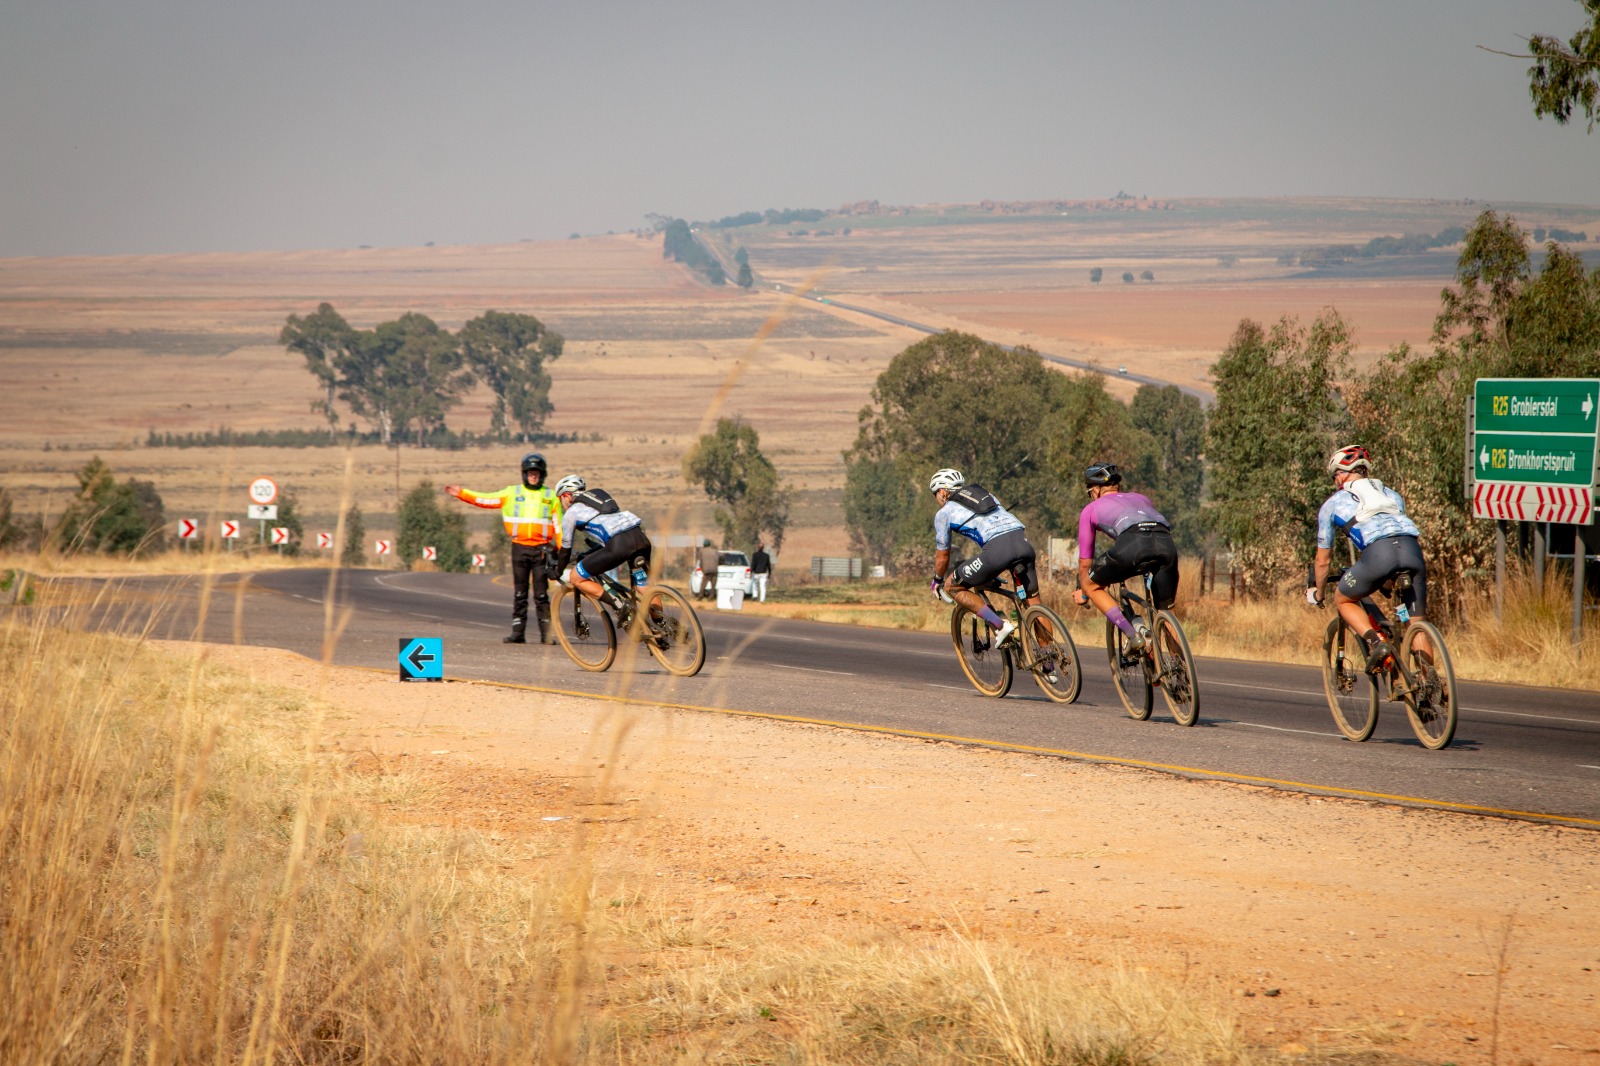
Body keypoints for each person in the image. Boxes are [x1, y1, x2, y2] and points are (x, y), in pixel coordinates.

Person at [1308, 445, 1427, 672]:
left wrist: (1318, 592)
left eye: (1335, 475)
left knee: (1342, 599)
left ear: (1343, 473)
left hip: (1379, 555)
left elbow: (1323, 560)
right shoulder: (1392, 494)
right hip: (1412, 551)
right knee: (1416, 625)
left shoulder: (1333, 503)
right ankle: (1428, 686)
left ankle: (1377, 643)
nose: (1335, 480)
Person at [444, 453, 562, 644]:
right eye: (530, 473)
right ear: (524, 474)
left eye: (537, 473)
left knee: (541, 594)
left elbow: (559, 526)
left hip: (542, 550)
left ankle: (547, 635)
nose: (534, 476)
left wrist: (560, 549)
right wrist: (462, 494)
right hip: (519, 548)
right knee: (519, 592)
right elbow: (486, 499)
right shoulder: (511, 493)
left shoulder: (551, 497)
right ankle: (517, 633)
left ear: (543, 474)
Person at [1071, 463, 1179, 655]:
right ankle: (1180, 673)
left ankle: (1134, 636)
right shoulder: (1141, 497)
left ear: (1094, 490)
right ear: (1117, 486)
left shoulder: (1090, 509)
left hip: (1133, 544)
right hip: (1166, 544)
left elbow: (1085, 563)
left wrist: (1084, 591)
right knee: (1165, 612)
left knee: (1091, 584)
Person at [928, 467, 1042, 648]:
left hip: (997, 551)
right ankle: (1050, 663)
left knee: (953, 586)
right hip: (1023, 543)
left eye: (935, 494)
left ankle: (1000, 625)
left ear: (942, 491)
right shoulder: (984, 494)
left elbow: (942, 557)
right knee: (1035, 605)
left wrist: (937, 580)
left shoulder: (944, 513)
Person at [550, 475, 653, 623]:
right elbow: (613, 523)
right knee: (644, 585)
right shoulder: (599, 495)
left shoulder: (571, 513)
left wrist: (557, 571)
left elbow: (565, 548)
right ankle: (663, 624)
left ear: (566, 496)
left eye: (561, 500)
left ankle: (618, 604)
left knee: (575, 577)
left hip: (619, 544)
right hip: (639, 536)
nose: (562, 504)